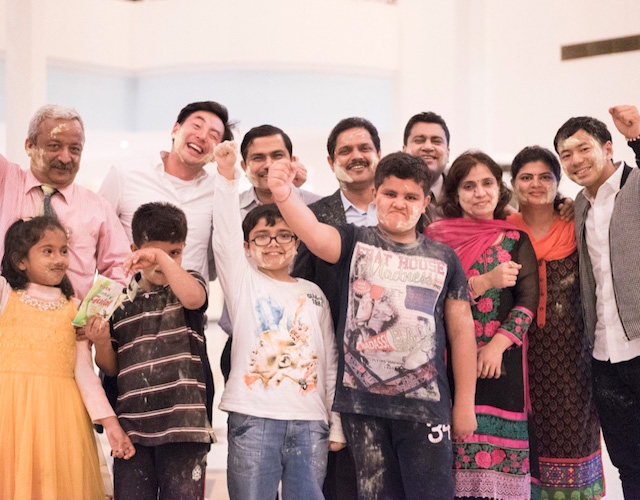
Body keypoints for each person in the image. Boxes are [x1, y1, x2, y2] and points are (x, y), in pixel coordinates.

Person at [269, 151, 477, 499]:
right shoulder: (354, 241)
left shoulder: (445, 258)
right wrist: (283, 193)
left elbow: (462, 332)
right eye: (390, 194)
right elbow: (312, 232)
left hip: (426, 406)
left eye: (410, 196)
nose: (399, 203)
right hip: (363, 407)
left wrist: (465, 403)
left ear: (425, 202)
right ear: (375, 195)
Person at [210, 141, 345, 500]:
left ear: (298, 243)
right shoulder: (243, 282)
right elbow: (224, 235)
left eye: (284, 235)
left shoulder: (314, 294)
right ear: (246, 246)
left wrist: (335, 421)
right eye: (261, 237)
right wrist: (226, 175)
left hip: (310, 422)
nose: (274, 244)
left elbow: (330, 361)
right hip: (253, 419)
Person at [425, 151, 539, 499]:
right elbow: (430, 297)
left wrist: (496, 346)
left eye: (487, 183)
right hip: (445, 366)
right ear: (454, 194)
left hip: (501, 365)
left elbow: (527, 301)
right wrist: (484, 282)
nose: (480, 193)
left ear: (499, 188)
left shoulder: (516, 239)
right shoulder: (436, 239)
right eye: (468, 186)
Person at [86, 202, 214, 499]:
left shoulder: (188, 284)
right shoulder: (117, 301)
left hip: (184, 429)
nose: (161, 263)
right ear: (134, 250)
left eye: (174, 253)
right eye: (153, 254)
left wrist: (160, 257)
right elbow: (111, 367)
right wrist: (101, 340)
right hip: (133, 430)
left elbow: (195, 299)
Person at [0, 216, 134, 499]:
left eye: (64, 251)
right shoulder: (5, 295)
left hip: (60, 421)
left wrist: (110, 423)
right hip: (9, 415)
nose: (59, 259)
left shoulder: (75, 309)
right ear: (20, 260)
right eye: (47, 251)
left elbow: (85, 373)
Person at [292, 116, 381, 500]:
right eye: (345, 151)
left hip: (394, 363)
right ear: (331, 162)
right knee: (340, 472)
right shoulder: (314, 215)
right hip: (335, 362)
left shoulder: (403, 208)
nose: (356, 156)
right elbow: (301, 285)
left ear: (379, 154)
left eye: (364, 148)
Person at [507, 146, 604, 499]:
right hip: (517, 355)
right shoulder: (504, 230)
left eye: (544, 177)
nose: (535, 184)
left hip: (573, 359)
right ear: (513, 183)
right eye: (526, 177)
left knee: (574, 437)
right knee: (523, 440)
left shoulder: (577, 223)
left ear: (558, 181)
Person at [554, 105, 640, 498]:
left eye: (583, 149)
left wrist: (637, 136)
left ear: (608, 148)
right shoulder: (580, 206)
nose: (575, 160)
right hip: (605, 357)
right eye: (566, 154)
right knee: (628, 463)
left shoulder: (635, 184)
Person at [219, 124, 321, 381]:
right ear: (244, 166)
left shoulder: (317, 208)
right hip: (244, 341)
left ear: (292, 161)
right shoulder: (229, 210)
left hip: (306, 339)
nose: (268, 165)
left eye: (277, 156)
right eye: (258, 158)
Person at [0, 104, 130, 299]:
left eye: (75, 149)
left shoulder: (98, 207)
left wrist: (93, 312)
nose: (65, 158)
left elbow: (121, 271)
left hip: (72, 316)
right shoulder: (6, 180)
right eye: (54, 146)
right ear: (29, 146)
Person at [99, 100, 235, 281]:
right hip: (127, 295)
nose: (202, 136)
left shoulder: (217, 192)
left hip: (190, 297)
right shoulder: (125, 174)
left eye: (213, 136)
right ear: (175, 129)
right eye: (196, 125)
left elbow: (222, 255)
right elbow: (95, 236)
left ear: (215, 155)